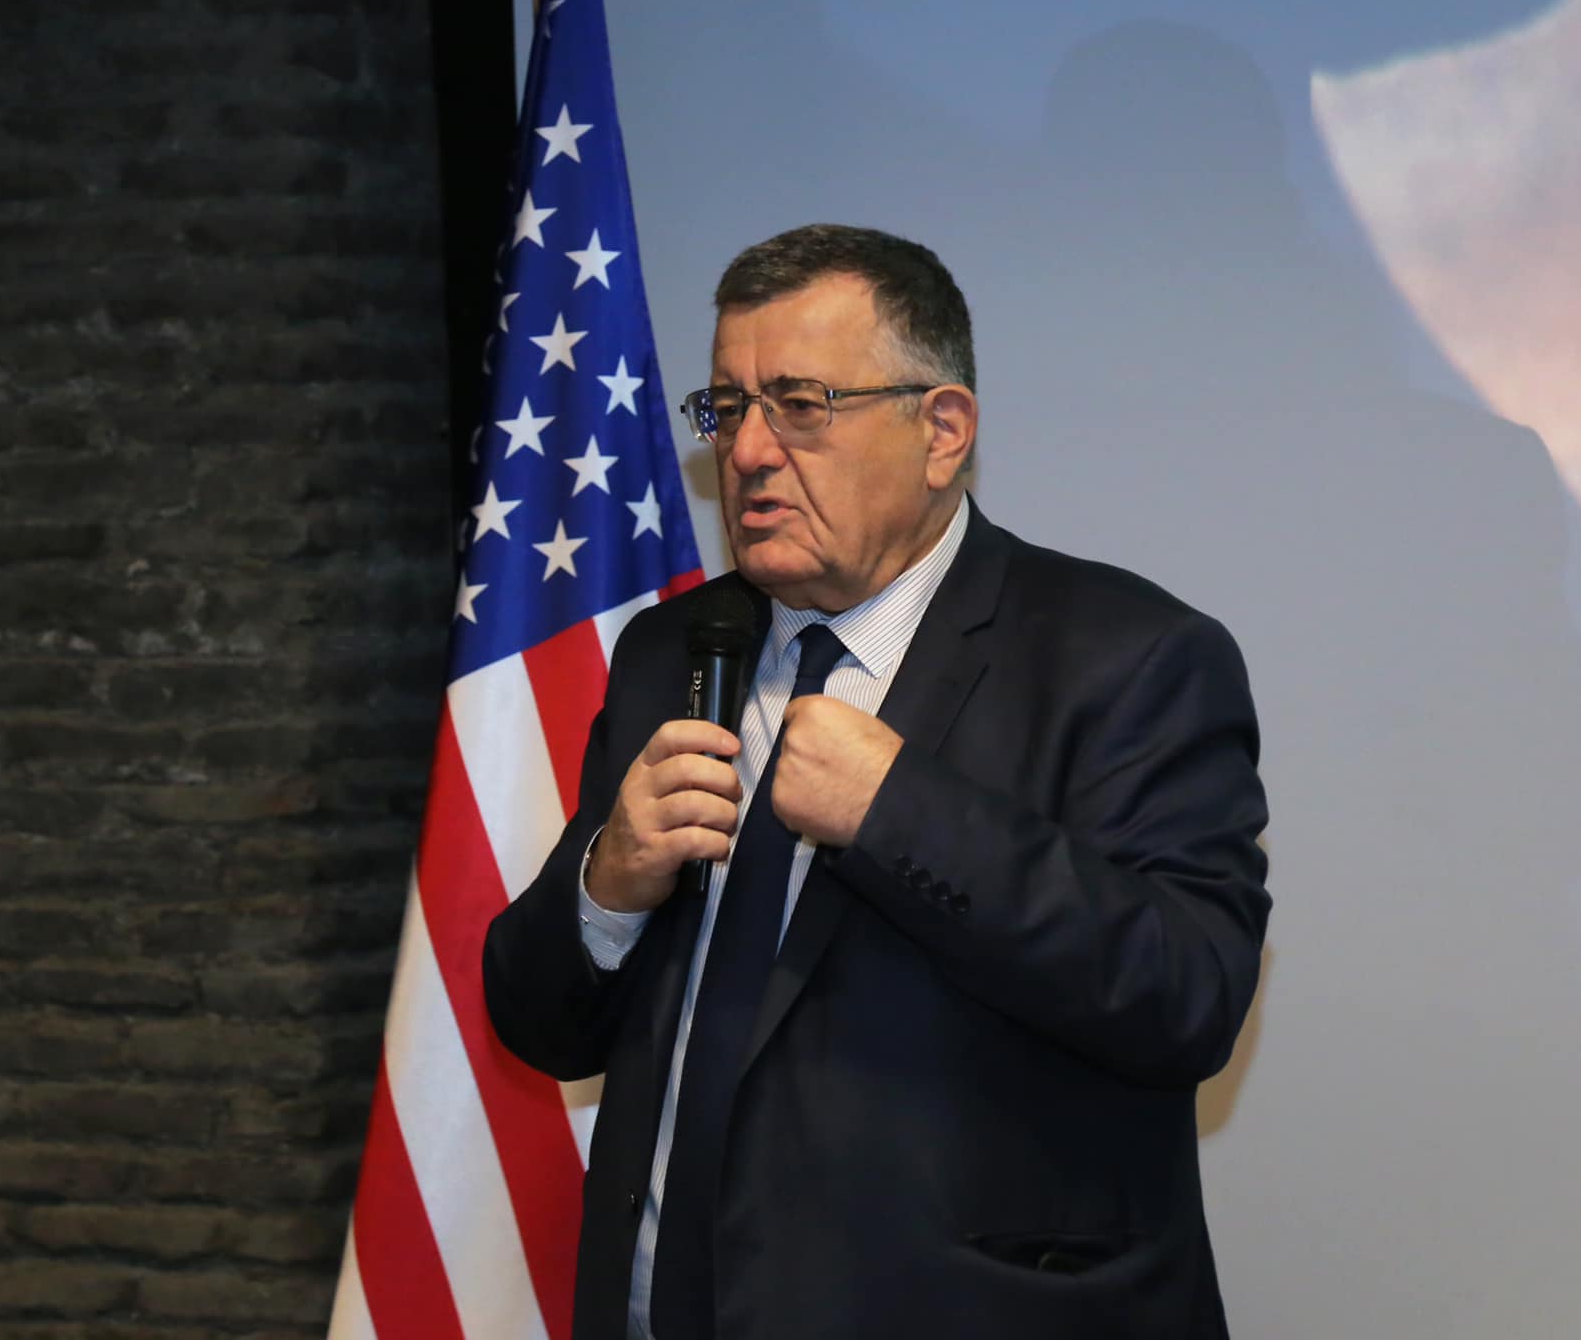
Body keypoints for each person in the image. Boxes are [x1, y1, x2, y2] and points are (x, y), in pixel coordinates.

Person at [483, 224, 1271, 1340]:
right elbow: (540, 1022)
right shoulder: (675, 651)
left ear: (941, 431)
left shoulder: (1127, 657)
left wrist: (899, 813)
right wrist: (607, 884)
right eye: (727, 408)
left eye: (800, 406)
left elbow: (1187, 996)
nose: (748, 452)